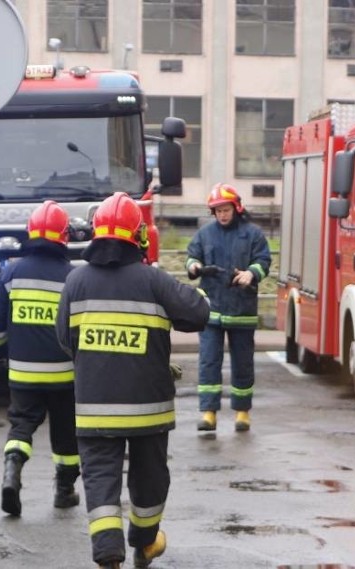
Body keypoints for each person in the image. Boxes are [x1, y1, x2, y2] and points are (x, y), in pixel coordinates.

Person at [56, 192, 210, 569]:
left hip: (94, 410)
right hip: (148, 412)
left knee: (100, 482)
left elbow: (64, 339)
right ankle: (144, 544)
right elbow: (198, 313)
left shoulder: (75, 283)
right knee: (150, 480)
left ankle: (109, 557)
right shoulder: (154, 281)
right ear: (138, 236)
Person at [0, 200, 80, 517]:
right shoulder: (73, 278)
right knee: (66, 437)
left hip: (23, 374)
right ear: (63, 236)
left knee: (21, 427)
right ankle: (64, 493)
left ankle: (12, 471)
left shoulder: (12, 273)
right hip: (65, 376)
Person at [186, 183, 271, 433]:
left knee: (243, 364)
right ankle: (209, 413)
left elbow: (263, 260)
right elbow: (192, 255)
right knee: (208, 362)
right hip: (211, 312)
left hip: (241, 310)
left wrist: (251, 274)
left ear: (236, 208)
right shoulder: (205, 234)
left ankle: (242, 413)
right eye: (218, 210)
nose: (222, 214)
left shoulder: (252, 234)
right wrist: (193, 266)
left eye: (226, 209)